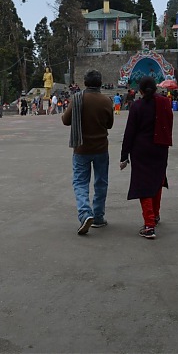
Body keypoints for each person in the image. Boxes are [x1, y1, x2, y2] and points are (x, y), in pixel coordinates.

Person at [62, 69, 114, 235]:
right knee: (101, 183)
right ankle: (98, 217)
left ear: (85, 83)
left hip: (81, 147)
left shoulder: (77, 99)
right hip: (100, 148)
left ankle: (85, 213)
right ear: (100, 83)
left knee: (80, 182)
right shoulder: (106, 101)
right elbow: (110, 124)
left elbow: (65, 120)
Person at [120, 76, 173, 239]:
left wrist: (124, 156)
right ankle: (155, 215)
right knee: (157, 181)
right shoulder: (165, 103)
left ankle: (149, 225)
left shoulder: (137, 106)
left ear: (140, 91)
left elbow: (130, 132)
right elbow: (169, 123)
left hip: (141, 150)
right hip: (160, 148)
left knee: (144, 185)